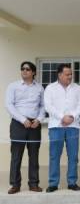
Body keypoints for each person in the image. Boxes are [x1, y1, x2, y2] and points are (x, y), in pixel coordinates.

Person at [5, 61, 45, 194]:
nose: (24, 71)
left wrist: (39, 120)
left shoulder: (39, 88)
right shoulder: (13, 86)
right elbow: (9, 105)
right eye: (22, 69)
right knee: (16, 156)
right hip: (18, 124)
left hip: (34, 125)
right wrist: (23, 120)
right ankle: (15, 184)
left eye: (27, 69)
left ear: (33, 72)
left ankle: (33, 184)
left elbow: (43, 106)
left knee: (34, 155)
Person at [44, 64, 80, 193]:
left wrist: (72, 116)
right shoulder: (50, 88)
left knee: (73, 156)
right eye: (67, 74)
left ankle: (72, 182)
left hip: (73, 126)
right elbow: (48, 106)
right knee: (54, 156)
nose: (70, 76)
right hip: (56, 126)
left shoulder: (77, 88)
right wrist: (62, 117)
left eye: (71, 74)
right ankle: (53, 183)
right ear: (59, 75)